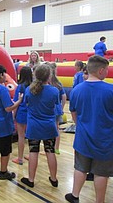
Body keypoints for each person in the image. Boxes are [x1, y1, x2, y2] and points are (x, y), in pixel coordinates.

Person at [65, 55, 113, 203]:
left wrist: (81, 126)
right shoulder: (110, 90)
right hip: (105, 139)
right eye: (107, 70)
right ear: (101, 70)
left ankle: (75, 195)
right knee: (101, 173)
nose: (107, 73)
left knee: (80, 168)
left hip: (83, 137)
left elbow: (74, 113)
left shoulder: (76, 90)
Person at [20, 64, 59, 188]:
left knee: (33, 151)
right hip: (49, 126)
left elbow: (26, 103)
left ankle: (31, 179)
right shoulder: (54, 91)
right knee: (50, 151)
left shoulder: (29, 90)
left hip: (34, 126)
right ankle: (54, 179)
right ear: (49, 76)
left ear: (35, 75)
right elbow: (55, 104)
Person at [12, 66, 33, 165]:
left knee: (21, 136)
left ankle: (20, 158)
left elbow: (16, 102)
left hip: (21, 113)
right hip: (30, 114)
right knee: (30, 136)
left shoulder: (20, 87)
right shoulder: (33, 86)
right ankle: (31, 155)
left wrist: (13, 115)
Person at [47, 62, 67, 154]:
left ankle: (50, 148)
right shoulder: (58, 82)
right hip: (57, 108)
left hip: (50, 108)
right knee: (57, 128)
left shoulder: (47, 82)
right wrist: (61, 107)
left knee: (49, 128)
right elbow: (64, 96)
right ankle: (56, 148)